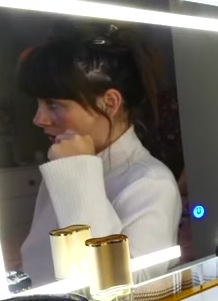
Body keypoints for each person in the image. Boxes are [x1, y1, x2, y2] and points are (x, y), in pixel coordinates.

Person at [17, 23, 182, 285]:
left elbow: (126, 286)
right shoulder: (65, 166)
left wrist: (77, 170)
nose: (39, 119)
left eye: (53, 105)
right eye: (38, 104)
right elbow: (38, 261)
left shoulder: (151, 183)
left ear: (110, 103)